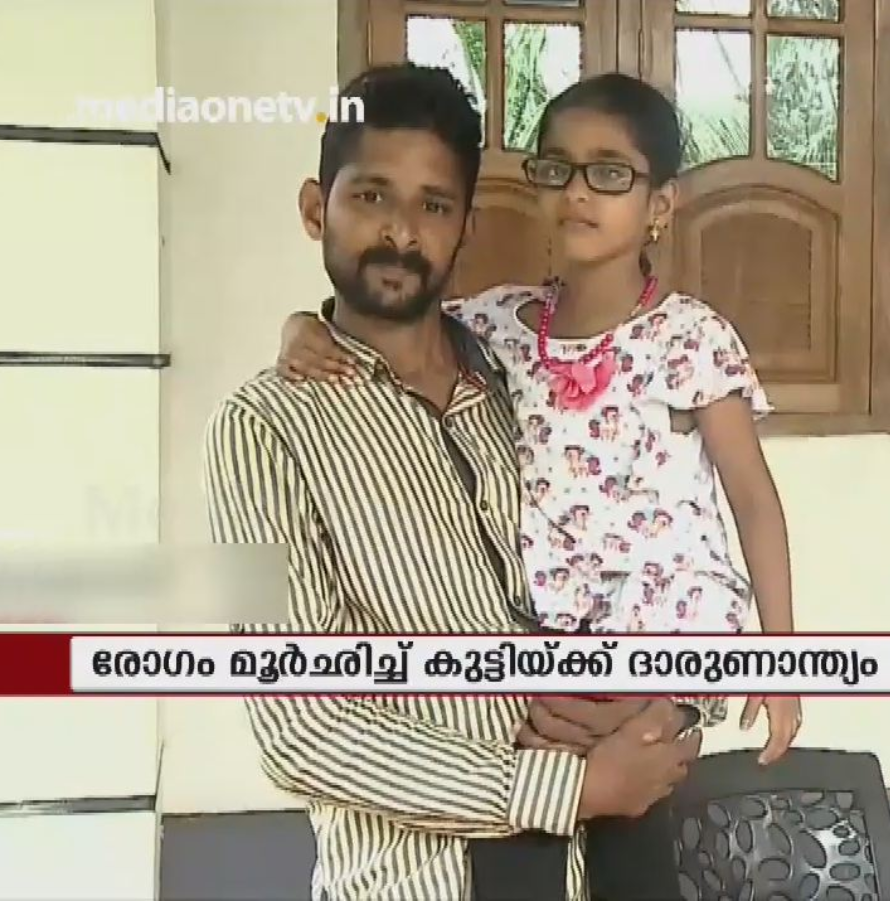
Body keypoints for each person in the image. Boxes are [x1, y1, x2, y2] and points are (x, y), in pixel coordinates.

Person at [202, 62, 720, 901]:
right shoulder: (262, 429)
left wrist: (675, 702)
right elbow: (298, 727)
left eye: (434, 205)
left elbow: (677, 536)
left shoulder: (530, 380)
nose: (401, 232)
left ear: (466, 228)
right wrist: (567, 787)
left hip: (614, 863)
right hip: (423, 881)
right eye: (371, 195)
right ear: (315, 209)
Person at [274, 71, 804, 765]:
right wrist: (300, 325)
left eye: (609, 173)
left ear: (660, 205)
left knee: (639, 789)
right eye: (558, 168)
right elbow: (388, 323)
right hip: (545, 645)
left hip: (668, 631)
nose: (578, 191)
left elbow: (754, 501)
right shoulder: (495, 324)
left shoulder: (691, 338)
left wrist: (782, 657)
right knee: (564, 796)